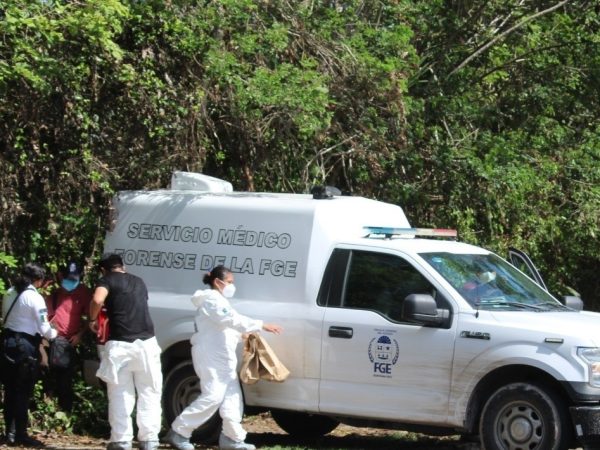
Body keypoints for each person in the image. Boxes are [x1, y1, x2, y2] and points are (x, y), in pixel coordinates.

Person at [164, 265, 283, 450]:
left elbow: (223, 329)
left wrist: (242, 335)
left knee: (232, 398)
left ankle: (232, 438)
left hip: (223, 359)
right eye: (229, 282)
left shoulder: (219, 301)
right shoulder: (212, 300)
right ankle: (179, 431)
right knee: (213, 396)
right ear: (218, 282)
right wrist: (261, 325)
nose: (232, 286)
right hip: (211, 358)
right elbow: (230, 320)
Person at [89, 253, 162, 450]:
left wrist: (92, 319)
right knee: (150, 392)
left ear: (103, 270)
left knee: (120, 394)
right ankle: (149, 440)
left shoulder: (106, 280)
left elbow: (97, 300)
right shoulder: (139, 282)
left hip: (120, 345)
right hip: (147, 344)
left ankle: (121, 440)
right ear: (123, 267)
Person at [1, 263, 57, 447]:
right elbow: (45, 328)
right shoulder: (34, 297)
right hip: (25, 347)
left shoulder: (10, 292)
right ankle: (21, 435)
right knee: (23, 391)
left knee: (10, 390)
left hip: (7, 343)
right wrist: (55, 334)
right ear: (38, 280)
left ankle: (9, 433)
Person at [43, 259, 92, 412]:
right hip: (50, 339)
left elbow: (90, 318)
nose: (71, 283)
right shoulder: (52, 291)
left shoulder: (83, 293)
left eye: (74, 279)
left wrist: (80, 335)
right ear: (60, 276)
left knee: (65, 381)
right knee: (46, 374)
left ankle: (65, 411)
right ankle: (47, 405)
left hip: (68, 343)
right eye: (68, 279)